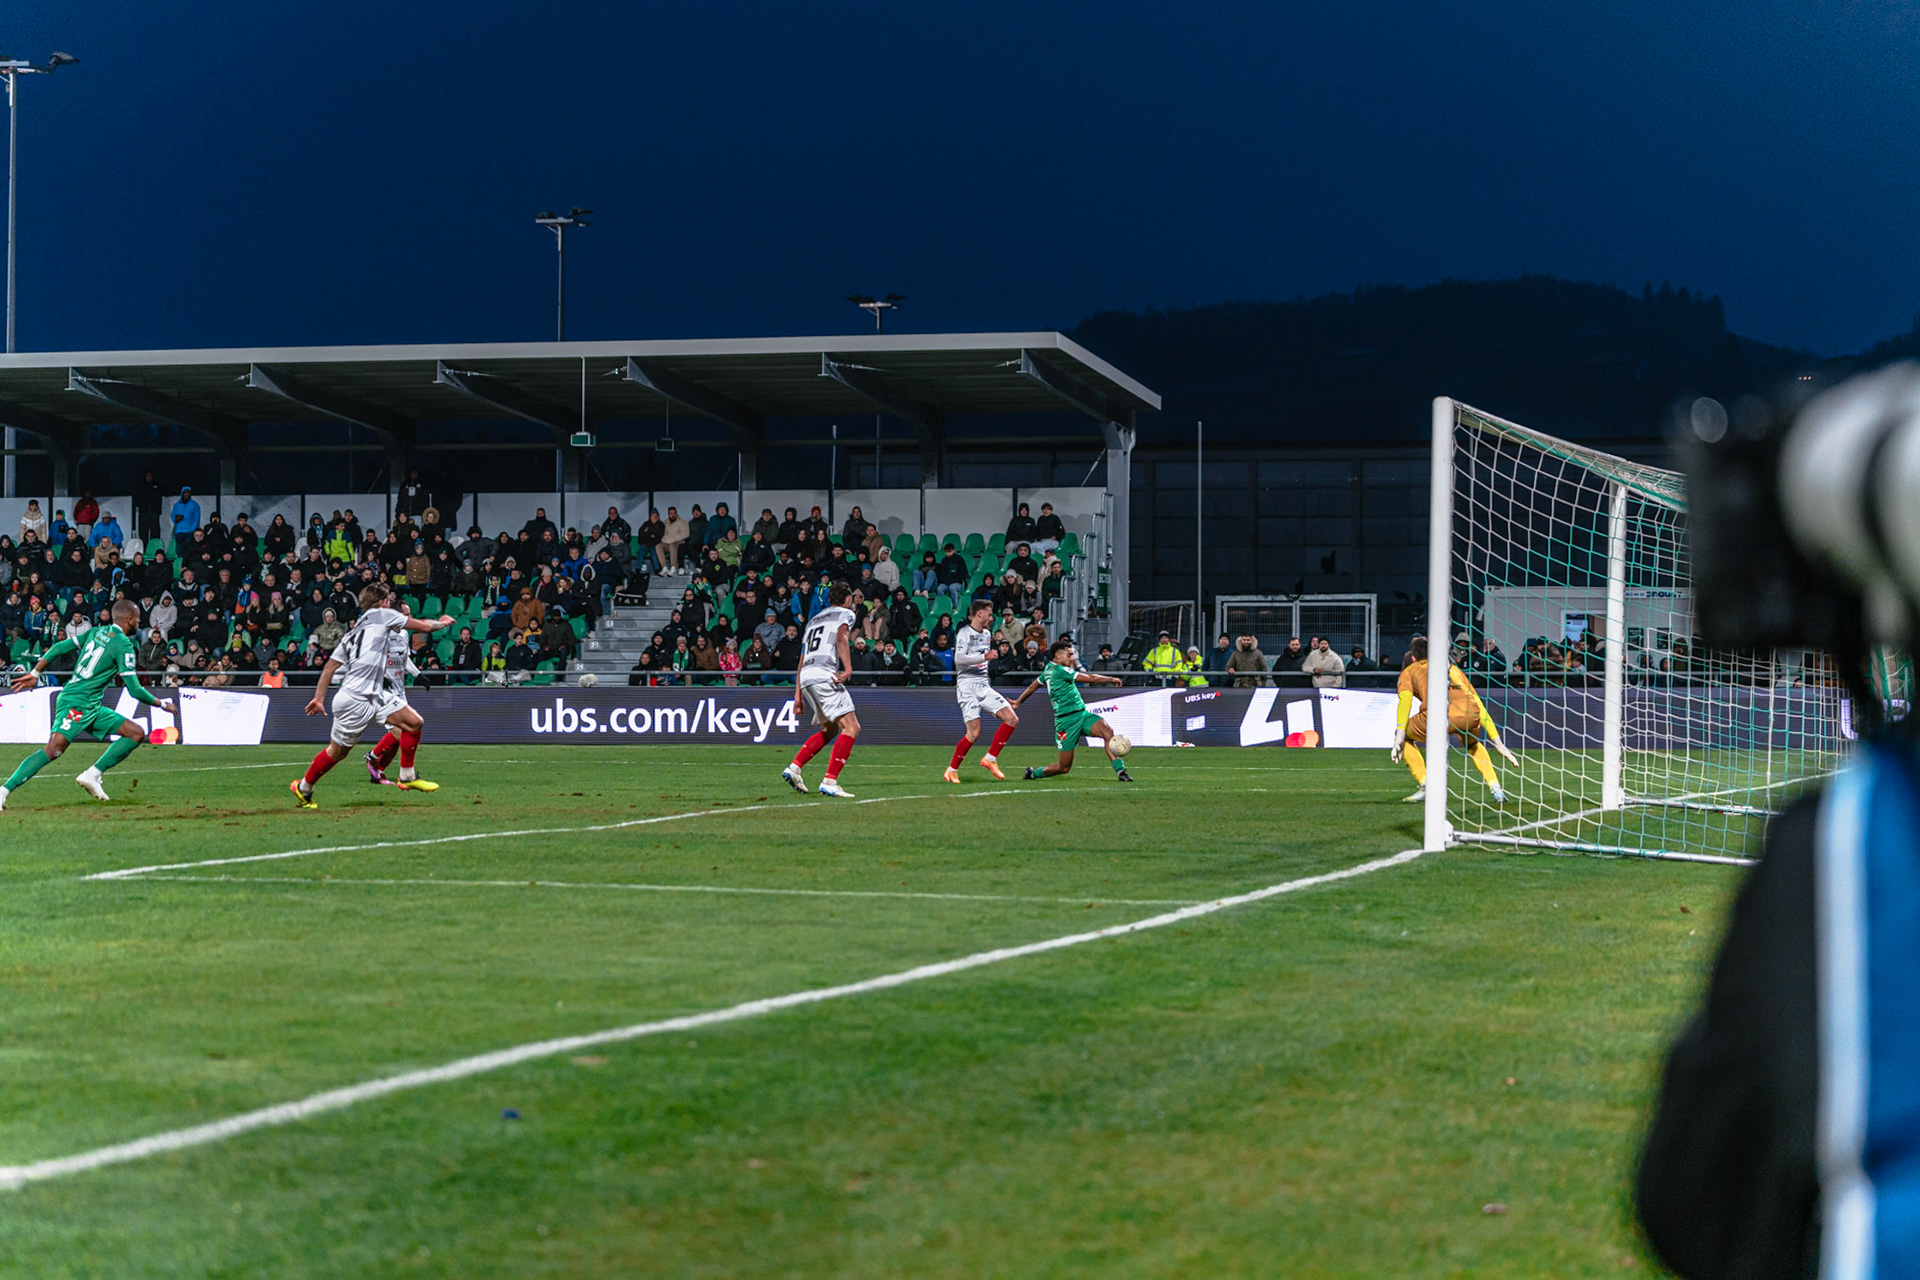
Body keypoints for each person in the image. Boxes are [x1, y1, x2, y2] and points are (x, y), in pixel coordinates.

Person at [0, 599, 179, 811]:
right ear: (129, 619)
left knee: (135, 733)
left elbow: (59, 646)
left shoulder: (96, 632)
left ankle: (92, 775)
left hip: (91, 705)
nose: (140, 623)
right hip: (76, 702)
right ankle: (3, 791)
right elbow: (134, 690)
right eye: (138, 619)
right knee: (53, 749)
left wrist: (36, 672)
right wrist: (161, 704)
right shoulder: (124, 645)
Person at [291, 583, 454, 807]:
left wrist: (319, 698)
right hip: (355, 699)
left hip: (374, 695)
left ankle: (407, 775)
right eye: (387, 600)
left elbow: (329, 667)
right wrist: (443, 622)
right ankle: (304, 788)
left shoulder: (353, 633)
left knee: (414, 723)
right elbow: (423, 627)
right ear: (382, 603)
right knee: (337, 752)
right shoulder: (382, 615)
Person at [1391, 635, 1517, 805]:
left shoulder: (1410, 671)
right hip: (1469, 713)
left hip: (1438, 715)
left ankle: (1426, 786)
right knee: (1472, 744)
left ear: (1413, 657)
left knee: (1406, 737)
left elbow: (1405, 701)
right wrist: (1498, 742)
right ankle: (1496, 788)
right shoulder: (1453, 669)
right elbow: (1478, 703)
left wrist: (1399, 732)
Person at [1012, 637, 1132, 783]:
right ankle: (1033, 774)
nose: (1071, 658)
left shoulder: (1048, 670)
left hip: (1082, 715)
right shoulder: (1060, 671)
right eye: (1069, 655)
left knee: (1107, 731)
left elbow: (1034, 685)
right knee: (1064, 768)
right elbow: (1092, 678)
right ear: (1058, 655)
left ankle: (1121, 772)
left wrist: (1019, 702)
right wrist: (1111, 679)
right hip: (1065, 722)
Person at [781, 580, 860, 799]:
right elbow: (841, 637)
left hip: (807, 676)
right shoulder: (845, 614)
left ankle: (795, 768)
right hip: (825, 675)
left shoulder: (814, 620)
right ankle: (830, 781)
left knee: (831, 729)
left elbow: (802, 658)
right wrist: (848, 668)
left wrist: (797, 693)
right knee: (851, 727)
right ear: (847, 600)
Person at [944, 598, 1021, 783]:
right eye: (989, 614)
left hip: (983, 685)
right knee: (974, 733)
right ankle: (951, 770)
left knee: (1011, 719)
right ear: (979, 614)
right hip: (967, 686)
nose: (992, 617)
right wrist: (984, 656)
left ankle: (990, 759)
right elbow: (959, 659)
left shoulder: (987, 634)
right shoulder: (964, 633)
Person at [168, 487, 202, 559]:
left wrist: (192, 530)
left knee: (189, 551)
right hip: (179, 531)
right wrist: (176, 518)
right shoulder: (177, 505)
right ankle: (181, 567)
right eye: (185, 493)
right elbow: (172, 516)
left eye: (188, 492)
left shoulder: (194, 505)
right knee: (179, 551)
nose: (186, 494)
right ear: (182, 494)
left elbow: (197, 518)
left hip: (189, 532)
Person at [659, 506, 689, 575]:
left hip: (678, 542)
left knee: (672, 545)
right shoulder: (666, 523)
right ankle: (664, 568)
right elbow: (665, 534)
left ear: (677, 513)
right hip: (667, 541)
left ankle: (673, 567)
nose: (673, 515)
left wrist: (673, 539)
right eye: (671, 513)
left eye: (674, 513)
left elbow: (685, 534)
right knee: (658, 546)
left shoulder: (683, 522)